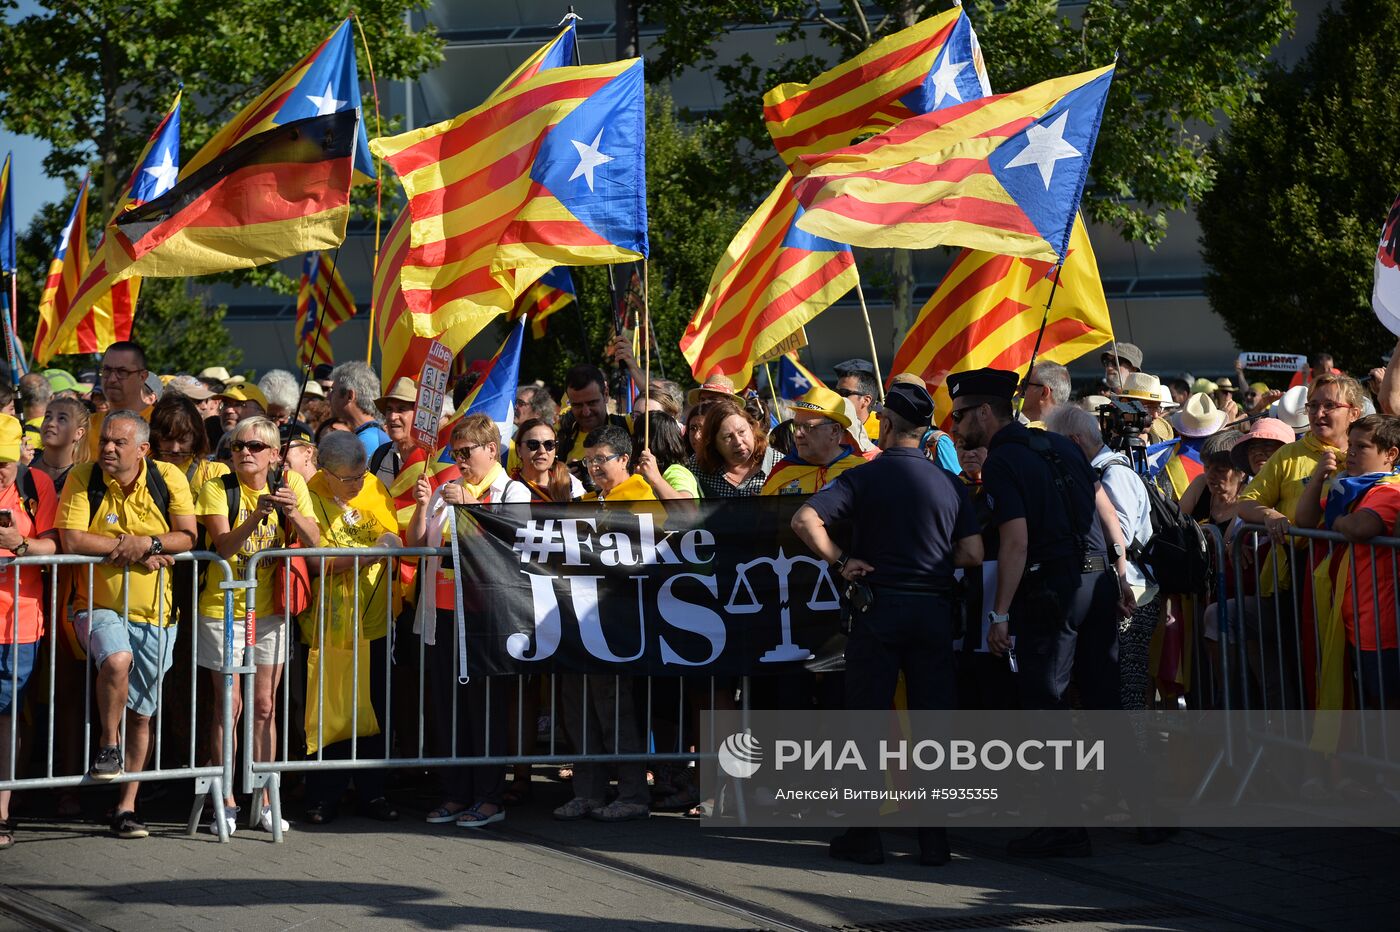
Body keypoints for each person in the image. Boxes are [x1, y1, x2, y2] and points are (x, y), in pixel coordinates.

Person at [792, 381, 982, 866]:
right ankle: (934, 840)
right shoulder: (950, 483)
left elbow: (804, 520)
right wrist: (934, 561)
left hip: (877, 610)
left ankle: (864, 835)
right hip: (933, 609)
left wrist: (842, 559)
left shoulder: (864, 477)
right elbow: (973, 553)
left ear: (888, 422)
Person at [948, 368, 1134, 858]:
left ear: (984, 412)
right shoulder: (1059, 444)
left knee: (1045, 704)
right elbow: (1102, 504)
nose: (957, 424)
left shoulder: (1006, 459)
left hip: (1053, 588)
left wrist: (999, 614)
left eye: (961, 414)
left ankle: (1064, 824)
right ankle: (1143, 810)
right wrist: (1120, 567)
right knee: (1103, 698)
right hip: (1095, 582)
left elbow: (1016, 541)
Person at [57, 410, 198, 839]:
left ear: (143, 449)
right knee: (116, 660)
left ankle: (126, 807)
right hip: (95, 605)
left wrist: (150, 542)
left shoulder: (168, 478)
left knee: (142, 715)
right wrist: (130, 547)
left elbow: (188, 537)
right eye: (104, 441)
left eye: (119, 443)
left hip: (157, 613)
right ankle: (107, 744)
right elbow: (72, 539)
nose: (108, 449)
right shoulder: (83, 476)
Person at [195, 416, 319, 835]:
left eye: (255, 446)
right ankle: (225, 800)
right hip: (223, 607)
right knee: (228, 705)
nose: (244, 452)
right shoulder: (218, 486)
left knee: (265, 705)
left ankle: (266, 797)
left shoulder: (291, 484)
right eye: (237, 446)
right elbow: (224, 545)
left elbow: (316, 539)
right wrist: (255, 516)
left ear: (274, 454)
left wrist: (290, 511)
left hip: (269, 611)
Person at [408, 414, 528, 828]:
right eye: (454, 452)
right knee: (446, 707)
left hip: (485, 618)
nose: (458, 460)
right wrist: (424, 506)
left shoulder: (512, 490)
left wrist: (471, 508)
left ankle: (490, 796)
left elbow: (510, 545)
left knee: (485, 709)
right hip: (442, 613)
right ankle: (456, 792)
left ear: (491, 450)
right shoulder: (447, 490)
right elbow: (415, 544)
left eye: (466, 452)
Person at [1237, 375, 1364, 708]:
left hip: (1357, 585)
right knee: (1305, 667)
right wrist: (1270, 516)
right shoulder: (1290, 455)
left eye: (1329, 405)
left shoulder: (1368, 455)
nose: (1319, 413)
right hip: (1295, 585)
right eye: (1313, 405)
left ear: (1354, 412)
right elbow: (1246, 501)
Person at [299, 430, 402, 825]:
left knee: (374, 707)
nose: (359, 484)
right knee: (328, 709)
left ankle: (373, 792)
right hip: (325, 626)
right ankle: (323, 795)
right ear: (325, 471)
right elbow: (318, 560)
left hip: (372, 621)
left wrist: (385, 545)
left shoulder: (374, 486)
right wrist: (369, 555)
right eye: (350, 479)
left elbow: (392, 533)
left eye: (361, 475)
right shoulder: (309, 494)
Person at [551, 425, 654, 822]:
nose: (593, 467)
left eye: (601, 460)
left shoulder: (642, 498)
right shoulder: (588, 501)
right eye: (588, 460)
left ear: (624, 459)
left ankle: (632, 793)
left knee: (614, 709)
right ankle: (588, 792)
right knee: (578, 708)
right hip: (577, 621)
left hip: (618, 622)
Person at [1046, 406, 1158, 712]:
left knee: (1126, 694)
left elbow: (1116, 535)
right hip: (1114, 591)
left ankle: (1131, 759)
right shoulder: (1095, 473)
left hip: (1132, 594)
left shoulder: (1112, 474)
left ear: (1073, 441)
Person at [1294, 414, 1400, 710]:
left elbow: (1360, 528)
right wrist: (1317, 479)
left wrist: (1339, 521)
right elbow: (1304, 520)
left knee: (1385, 709)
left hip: (1380, 627)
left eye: (1362, 447)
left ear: (1391, 454)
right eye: (1350, 444)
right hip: (1351, 621)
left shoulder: (1389, 489)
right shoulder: (1354, 488)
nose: (1349, 452)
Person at [0, 414, 61, 851]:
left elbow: (55, 545)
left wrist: (18, 544)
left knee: (6, 717)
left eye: (3, 462)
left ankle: (2, 812)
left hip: (18, 621)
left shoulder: (34, 484)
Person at [762, 385, 864, 494]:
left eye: (808, 427)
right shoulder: (782, 472)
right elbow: (765, 510)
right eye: (796, 426)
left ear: (834, 430)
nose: (797, 434)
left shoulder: (861, 472)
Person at [554, 364, 631, 487]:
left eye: (592, 403)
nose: (586, 412)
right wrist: (560, 479)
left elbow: (661, 411)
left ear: (606, 395)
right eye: (577, 405)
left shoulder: (627, 425)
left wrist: (632, 366)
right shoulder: (557, 438)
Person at [692, 400, 779, 498]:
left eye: (741, 432)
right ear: (713, 442)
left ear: (752, 428)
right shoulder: (697, 467)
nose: (738, 442)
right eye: (728, 437)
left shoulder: (779, 464)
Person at [86, 341, 153, 460]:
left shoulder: (160, 425)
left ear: (142, 377)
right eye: (107, 370)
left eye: (122, 372)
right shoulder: (87, 425)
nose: (112, 379)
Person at [631, 411, 699, 501]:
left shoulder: (675, 472)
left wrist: (655, 479)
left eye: (637, 436)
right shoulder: (642, 472)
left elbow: (688, 509)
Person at [329, 361, 390, 459]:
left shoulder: (368, 441)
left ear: (349, 395)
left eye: (332, 391)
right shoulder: (368, 436)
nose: (328, 396)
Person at [511, 418, 582, 502]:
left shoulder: (569, 482)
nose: (542, 451)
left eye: (549, 444)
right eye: (533, 444)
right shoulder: (508, 488)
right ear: (519, 450)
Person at [368, 377, 418, 489]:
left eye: (401, 409)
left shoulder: (432, 459)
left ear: (419, 415)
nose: (392, 417)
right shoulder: (379, 456)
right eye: (389, 409)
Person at [33, 396, 89, 491]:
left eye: (62, 419)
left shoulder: (84, 476)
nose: (51, 423)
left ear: (78, 433)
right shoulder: (27, 461)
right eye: (47, 416)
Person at [833, 359, 880, 441]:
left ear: (866, 401)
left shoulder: (884, 436)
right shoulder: (829, 432)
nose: (838, 398)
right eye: (836, 393)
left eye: (844, 393)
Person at [1022, 361, 1070, 428]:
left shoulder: (1027, 435)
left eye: (1024, 384)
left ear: (1044, 392)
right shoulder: (1070, 431)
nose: (1018, 388)